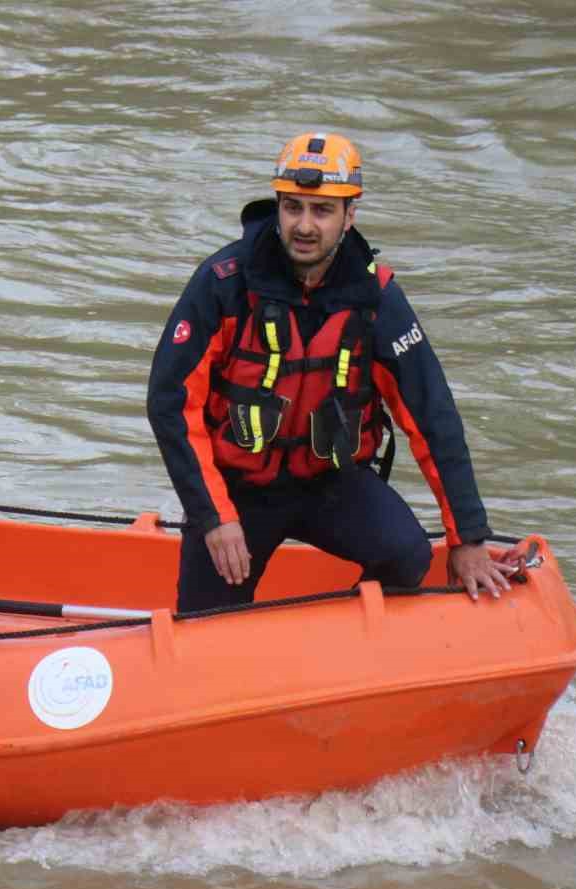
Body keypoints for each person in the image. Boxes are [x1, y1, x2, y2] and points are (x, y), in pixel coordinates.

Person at [147, 131, 522, 612]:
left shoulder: (377, 297)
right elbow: (170, 405)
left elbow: (431, 415)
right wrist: (215, 517)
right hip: (238, 492)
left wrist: (467, 538)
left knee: (407, 556)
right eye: (293, 208)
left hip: (329, 483)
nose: (304, 225)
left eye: (321, 211)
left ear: (350, 216)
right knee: (203, 619)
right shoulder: (222, 285)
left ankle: (344, 650)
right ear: (278, 208)